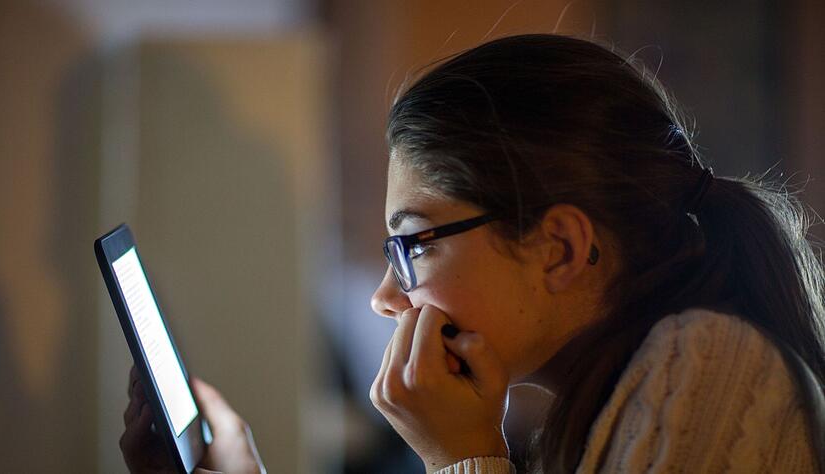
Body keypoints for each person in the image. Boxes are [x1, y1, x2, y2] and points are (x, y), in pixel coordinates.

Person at [121, 34, 825, 473]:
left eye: (414, 245)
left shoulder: (704, 364)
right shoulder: (586, 419)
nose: (387, 298)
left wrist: (459, 456)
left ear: (560, 248)